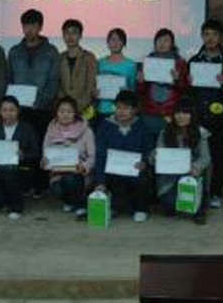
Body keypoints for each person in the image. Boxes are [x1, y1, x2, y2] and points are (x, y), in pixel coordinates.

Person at [7, 9, 60, 197]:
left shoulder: (51, 51)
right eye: (26, 25)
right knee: (21, 145)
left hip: (41, 109)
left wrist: (42, 101)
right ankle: (23, 184)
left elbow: (53, 80)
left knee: (39, 145)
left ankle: (40, 185)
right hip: (19, 109)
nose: (29, 29)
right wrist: (12, 104)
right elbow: (9, 78)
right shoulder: (14, 51)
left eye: (34, 25)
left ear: (40, 27)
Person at [188, 19, 223, 209]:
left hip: (219, 118)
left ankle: (216, 193)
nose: (210, 38)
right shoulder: (193, 61)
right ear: (202, 36)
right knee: (197, 157)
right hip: (198, 116)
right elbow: (188, 93)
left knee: (218, 158)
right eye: (206, 34)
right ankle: (198, 190)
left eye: (214, 34)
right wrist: (188, 82)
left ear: (220, 37)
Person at [94, 90, 154, 222]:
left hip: (135, 170)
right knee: (111, 187)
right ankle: (115, 206)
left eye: (126, 108)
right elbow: (100, 155)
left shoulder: (142, 127)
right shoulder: (105, 126)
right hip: (113, 172)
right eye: (118, 107)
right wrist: (100, 182)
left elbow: (148, 150)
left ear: (134, 110)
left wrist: (144, 162)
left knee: (143, 178)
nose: (121, 111)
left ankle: (141, 209)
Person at [154, 97, 211, 224]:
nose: (180, 116)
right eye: (177, 113)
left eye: (185, 113)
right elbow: (155, 156)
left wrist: (195, 167)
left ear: (192, 115)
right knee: (169, 206)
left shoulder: (200, 132)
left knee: (203, 170)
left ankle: (200, 210)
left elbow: (205, 157)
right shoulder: (165, 132)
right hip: (170, 176)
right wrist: (155, 156)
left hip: (191, 173)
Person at [42, 96, 95, 219]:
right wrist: (45, 161)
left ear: (75, 113)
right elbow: (45, 152)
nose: (65, 114)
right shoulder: (51, 129)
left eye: (69, 111)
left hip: (80, 173)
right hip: (57, 173)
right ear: (56, 113)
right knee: (57, 187)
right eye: (61, 111)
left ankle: (80, 204)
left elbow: (93, 156)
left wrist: (84, 166)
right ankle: (70, 201)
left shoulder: (86, 131)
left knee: (71, 178)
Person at [0, 96, 39, 220]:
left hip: (21, 169)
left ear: (18, 111)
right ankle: (7, 198)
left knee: (9, 171)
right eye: (4, 110)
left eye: (12, 110)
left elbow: (36, 153)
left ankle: (17, 207)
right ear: (0, 112)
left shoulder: (27, 128)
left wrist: (23, 155)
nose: (8, 114)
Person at [137, 28, 188, 141]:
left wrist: (177, 79)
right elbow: (141, 91)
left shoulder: (180, 63)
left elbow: (184, 90)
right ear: (155, 43)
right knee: (149, 144)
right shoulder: (147, 61)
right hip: (150, 111)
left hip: (170, 111)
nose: (162, 43)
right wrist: (140, 82)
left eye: (166, 40)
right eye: (159, 40)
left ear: (172, 44)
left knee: (168, 144)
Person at [58, 19, 97, 120]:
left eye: (74, 33)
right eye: (67, 33)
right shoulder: (59, 58)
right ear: (63, 35)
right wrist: (65, 108)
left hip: (85, 111)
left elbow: (91, 86)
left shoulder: (89, 57)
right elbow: (59, 87)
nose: (70, 36)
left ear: (80, 36)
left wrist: (76, 108)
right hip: (64, 112)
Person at [96, 28, 137, 119]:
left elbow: (133, 90)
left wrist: (127, 91)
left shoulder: (131, 65)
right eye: (113, 39)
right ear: (108, 43)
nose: (115, 43)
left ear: (124, 43)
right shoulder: (99, 63)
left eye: (119, 40)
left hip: (122, 112)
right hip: (102, 109)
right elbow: (94, 85)